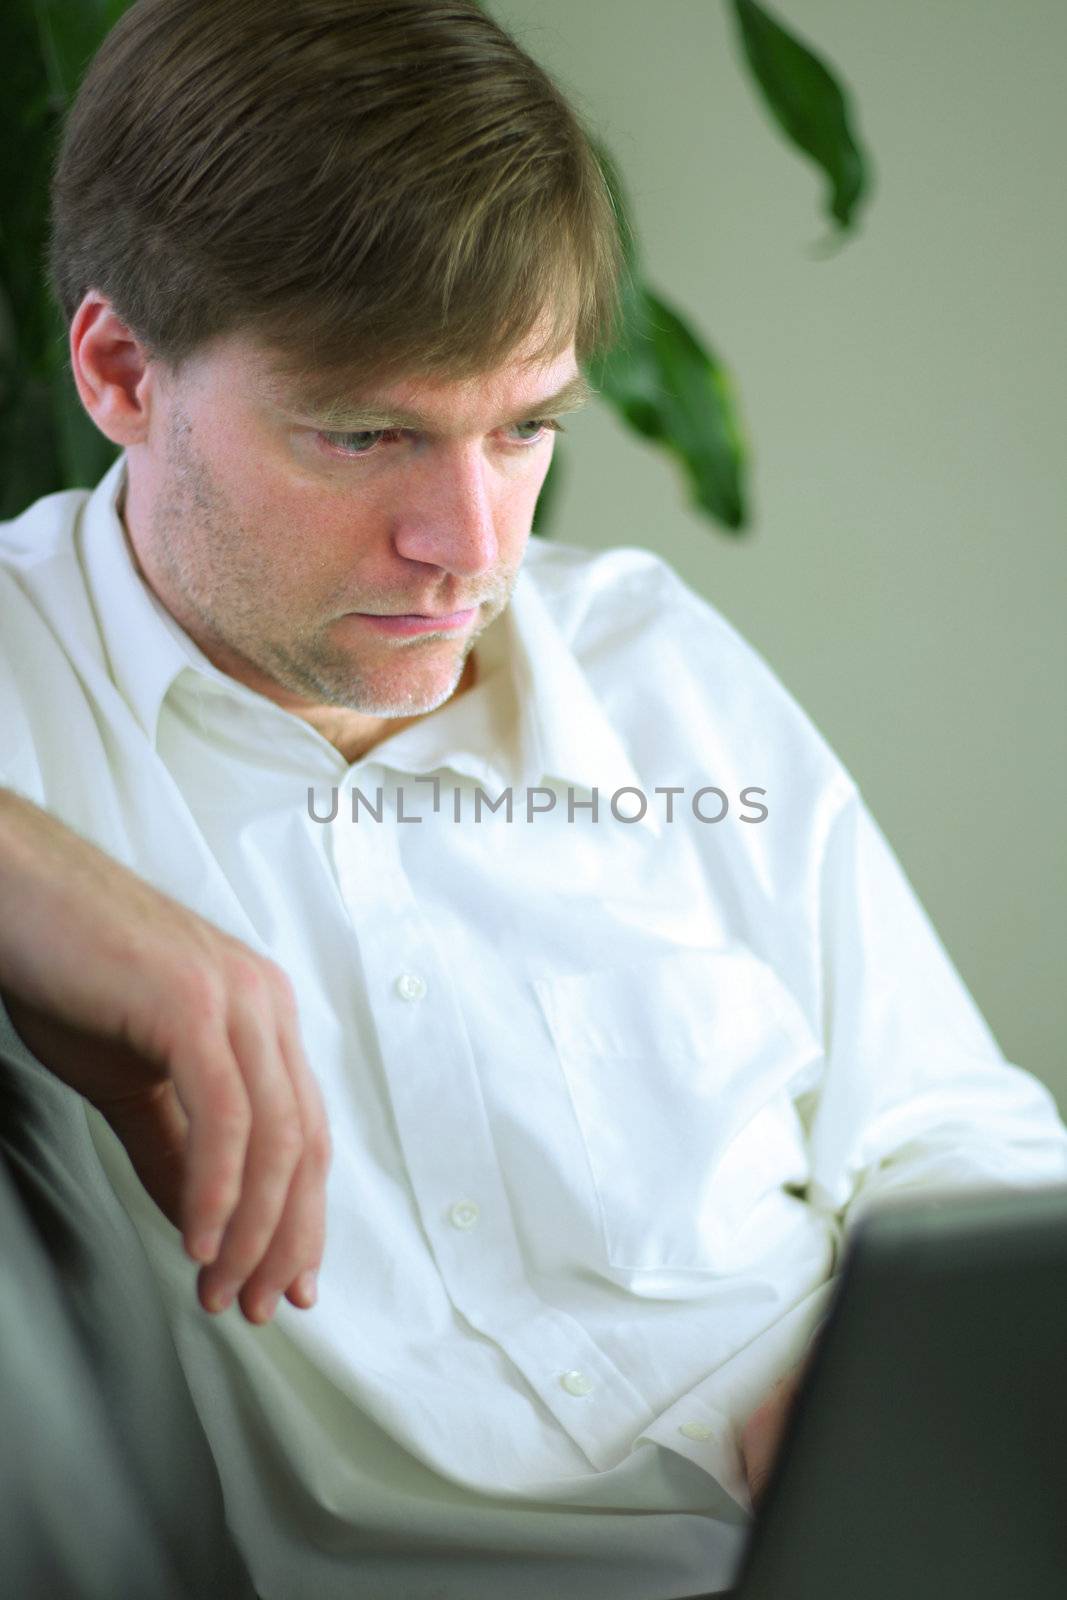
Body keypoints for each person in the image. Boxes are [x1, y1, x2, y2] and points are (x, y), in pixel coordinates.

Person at [2, 0, 1065, 1596]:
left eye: (524, 431)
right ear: (118, 374)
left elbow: (942, 1130)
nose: (472, 545)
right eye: (365, 435)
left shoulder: (643, 652)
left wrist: (880, 1398)